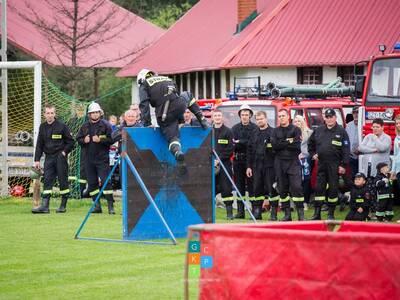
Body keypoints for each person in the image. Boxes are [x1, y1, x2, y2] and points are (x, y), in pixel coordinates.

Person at [137, 69, 208, 163]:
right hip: (179, 106)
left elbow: (144, 104)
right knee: (187, 94)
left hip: (163, 114)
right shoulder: (168, 79)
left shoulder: (144, 84)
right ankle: (202, 119)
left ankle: (177, 152)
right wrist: (181, 121)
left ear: (141, 79)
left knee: (172, 138)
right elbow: (176, 97)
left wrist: (147, 123)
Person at [308, 108, 350, 220]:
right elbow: (310, 144)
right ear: (324, 118)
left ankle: (331, 214)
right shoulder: (319, 130)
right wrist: (313, 154)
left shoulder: (341, 131)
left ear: (335, 118)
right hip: (321, 164)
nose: (329, 119)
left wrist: (343, 165)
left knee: (333, 189)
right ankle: (317, 214)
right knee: (319, 188)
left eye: (331, 117)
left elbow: (346, 150)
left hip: (335, 165)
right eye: (327, 117)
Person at [32, 104, 75, 214]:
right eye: (48, 113)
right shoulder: (42, 127)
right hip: (49, 158)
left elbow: (71, 142)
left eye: (52, 113)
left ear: (55, 114)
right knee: (47, 180)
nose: (50, 115)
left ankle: (63, 206)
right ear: (44, 114)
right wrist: (37, 160)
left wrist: (64, 152)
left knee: (62, 181)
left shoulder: (62, 126)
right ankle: (45, 206)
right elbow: (39, 145)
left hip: (60, 157)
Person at [76, 102, 115, 214]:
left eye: (96, 112)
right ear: (89, 114)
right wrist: (84, 140)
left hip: (102, 159)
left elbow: (112, 139)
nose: (94, 114)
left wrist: (101, 140)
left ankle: (110, 207)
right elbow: (78, 139)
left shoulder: (106, 125)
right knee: (92, 183)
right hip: (88, 159)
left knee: (106, 181)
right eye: (92, 113)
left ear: (100, 113)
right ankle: (96, 206)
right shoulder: (84, 126)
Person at [271, 109, 304, 221]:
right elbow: (274, 146)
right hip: (279, 162)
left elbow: (297, 146)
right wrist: (288, 142)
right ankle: (287, 214)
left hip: (293, 161)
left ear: (288, 116)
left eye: (283, 116)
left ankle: (301, 215)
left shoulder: (296, 129)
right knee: (282, 189)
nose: (281, 118)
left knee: (296, 187)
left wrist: (282, 143)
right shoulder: (275, 131)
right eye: (279, 116)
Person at [246, 111, 278, 220]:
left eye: (261, 119)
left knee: (272, 189)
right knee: (257, 189)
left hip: (270, 165)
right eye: (258, 119)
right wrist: (249, 166)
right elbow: (249, 151)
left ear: (266, 119)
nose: (260, 121)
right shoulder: (254, 133)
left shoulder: (273, 132)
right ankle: (257, 212)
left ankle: (273, 214)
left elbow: (277, 150)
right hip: (256, 165)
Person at [231, 104, 258, 219]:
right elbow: (232, 144)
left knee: (252, 186)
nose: (245, 117)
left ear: (250, 115)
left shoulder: (255, 128)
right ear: (240, 116)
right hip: (237, 161)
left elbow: (252, 144)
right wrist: (241, 142)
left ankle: (254, 211)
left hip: (250, 161)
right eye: (242, 115)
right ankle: (240, 211)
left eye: (247, 115)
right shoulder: (234, 128)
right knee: (239, 186)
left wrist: (240, 142)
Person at [212, 109, 235, 220]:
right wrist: (212, 160)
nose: (217, 117)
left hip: (224, 164)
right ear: (212, 118)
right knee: (210, 188)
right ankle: (208, 213)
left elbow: (230, 148)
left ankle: (229, 213)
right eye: (215, 115)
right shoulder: (208, 131)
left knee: (226, 188)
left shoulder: (228, 132)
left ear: (222, 117)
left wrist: (219, 159)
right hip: (210, 165)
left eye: (219, 115)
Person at [293, 115, 313, 210]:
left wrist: (304, 153)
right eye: (295, 121)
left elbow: (312, 147)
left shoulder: (309, 133)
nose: (297, 123)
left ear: (303, 122)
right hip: (294, 159)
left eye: (299, 121)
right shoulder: (291, 132)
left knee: (305, 180)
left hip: (305, 160)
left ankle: (305, 202)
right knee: (295, 180)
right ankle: (296, 201)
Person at [346, 106, 360, 178]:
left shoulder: (364, 124)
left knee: (361, 177)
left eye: (357, 112)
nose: (356, 114)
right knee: (352, 176)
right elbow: (345, 139)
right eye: (354, 112)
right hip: (351, 156)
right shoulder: (348, 125)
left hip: (361, 156)